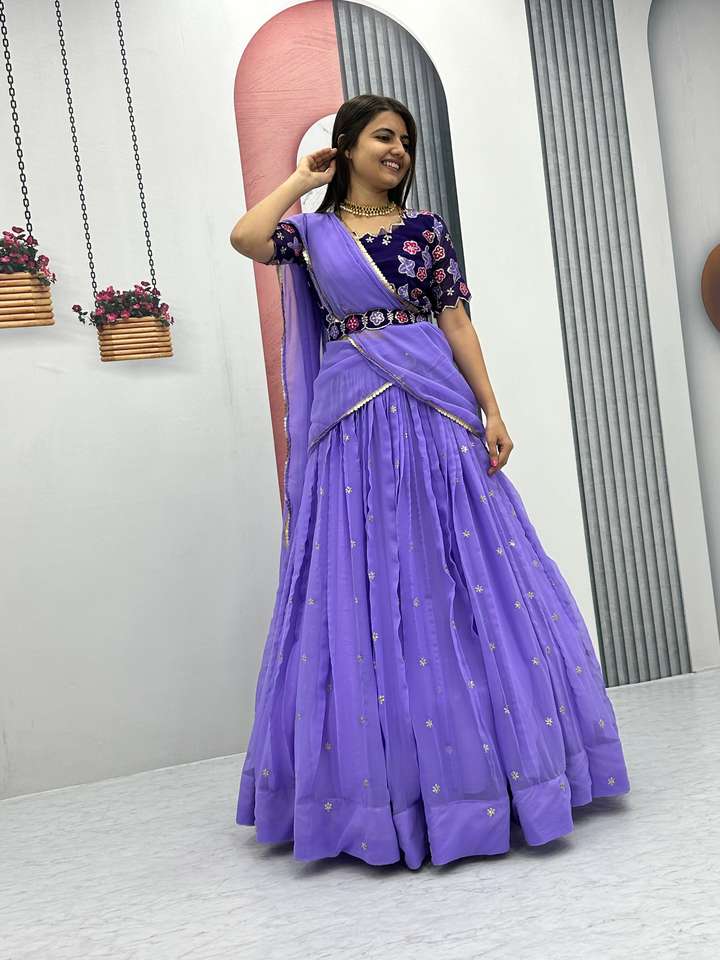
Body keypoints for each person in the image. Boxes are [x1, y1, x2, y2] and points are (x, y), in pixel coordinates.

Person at [230, 94, 630, 869]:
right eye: (383, 137)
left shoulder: (424, 231)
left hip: (434, 407)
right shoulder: (310, 234)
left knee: (463, 573)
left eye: (406, 141)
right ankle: (382, 791)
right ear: (347, 145)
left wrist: (491, 409)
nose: (398, 151)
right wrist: (303, 179)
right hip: (352, 421)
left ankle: (499, 775)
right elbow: (246, 237)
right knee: (365, 582)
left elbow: (456, 323)